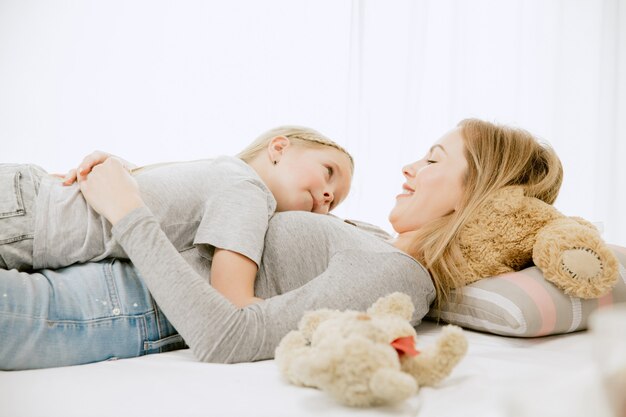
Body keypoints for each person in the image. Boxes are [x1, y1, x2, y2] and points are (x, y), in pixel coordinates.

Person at [0, 118, 562, 370]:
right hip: (103, 269)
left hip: (115, 304)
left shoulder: (398, 277)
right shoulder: (369, 240)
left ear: (473, 198)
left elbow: (227, 335)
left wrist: (127, 210)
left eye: (434, 160)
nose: (410, 167)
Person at [0, 126, 353, 307]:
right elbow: (233, 300)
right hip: (29, 220)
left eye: (333, 203)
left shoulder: (223, 172)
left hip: (28, 197)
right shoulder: (248, 191)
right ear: (279, 148)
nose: (326, 196)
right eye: (328, 172)